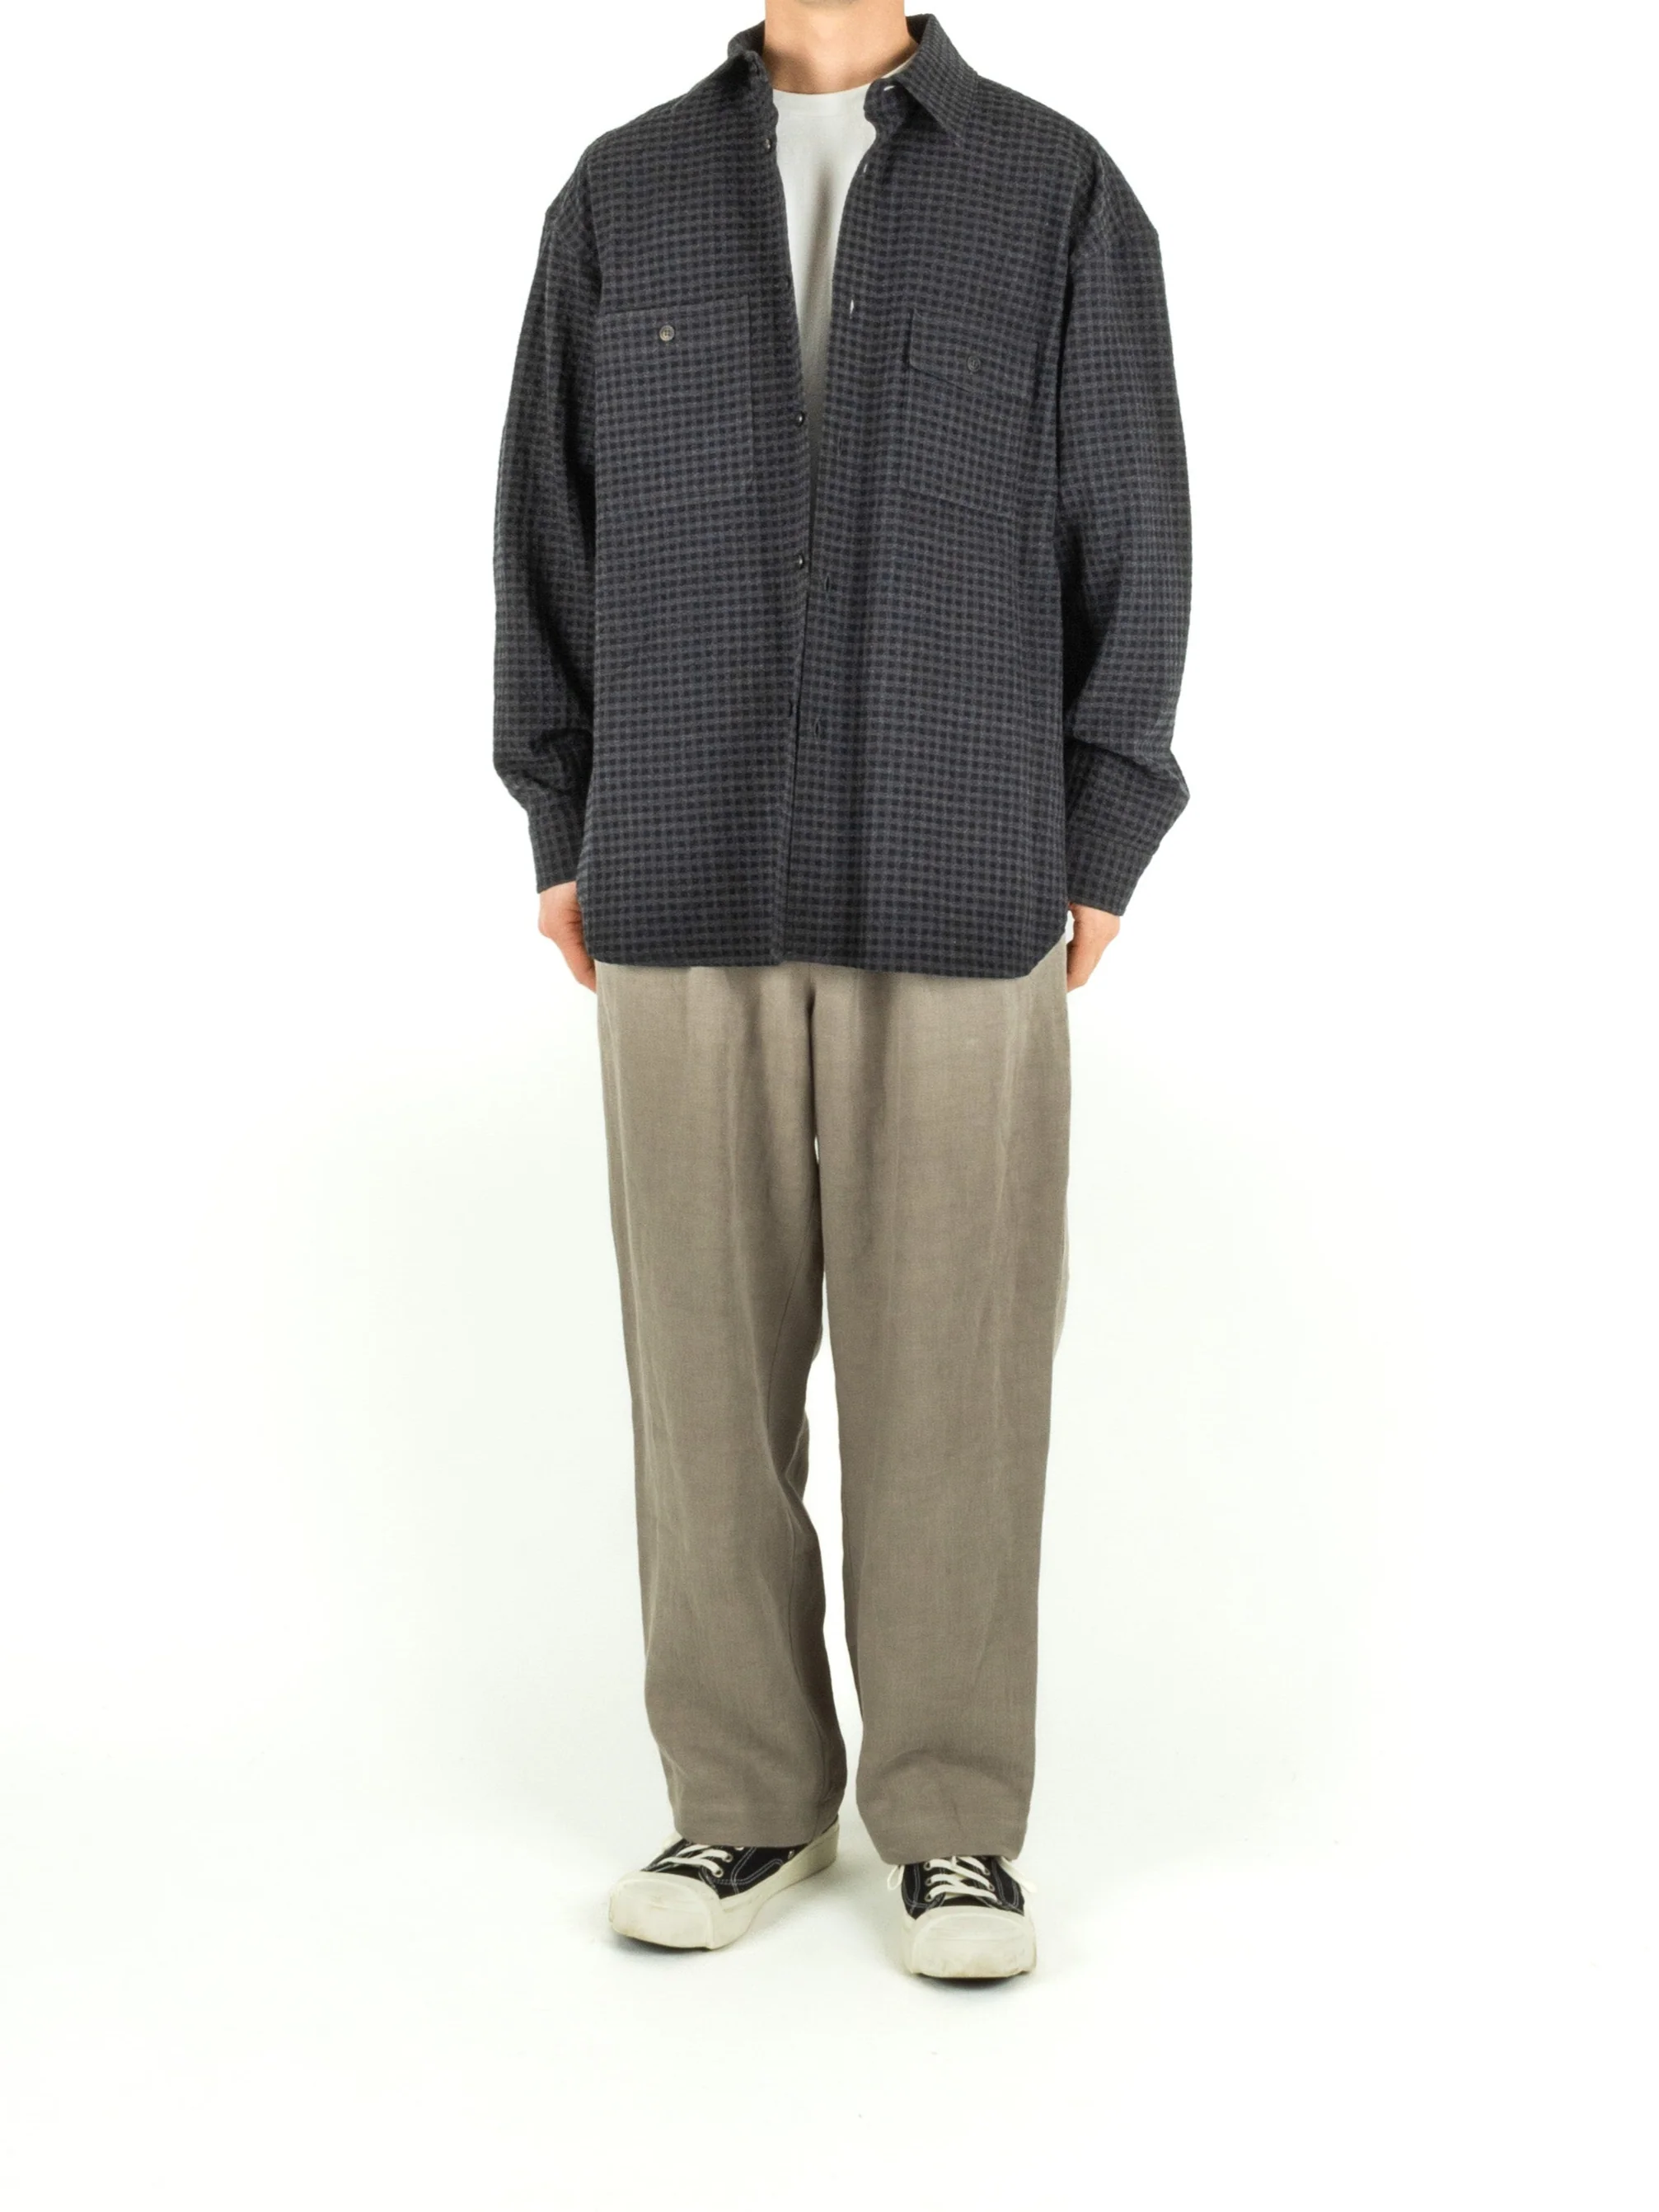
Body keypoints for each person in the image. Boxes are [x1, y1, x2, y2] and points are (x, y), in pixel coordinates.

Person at [493, 2, 1190, 1980]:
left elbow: (1132, 517)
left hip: (964, 865)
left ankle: (951, 1827)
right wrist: (561, 813)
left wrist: (1098, 827)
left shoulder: (1052, 190)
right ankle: (743, 1799)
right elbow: (546, 522)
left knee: (955, 1375)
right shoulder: (625, 193)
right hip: (677, 857)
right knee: (699, 1372)